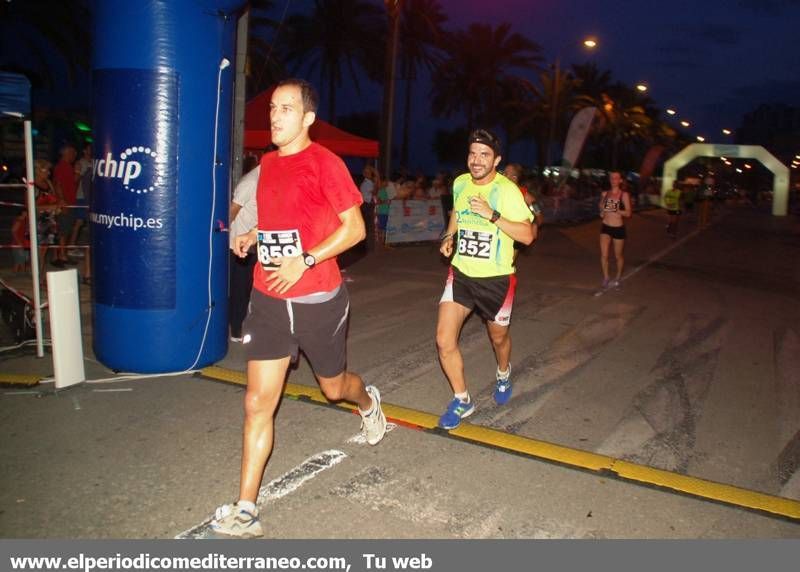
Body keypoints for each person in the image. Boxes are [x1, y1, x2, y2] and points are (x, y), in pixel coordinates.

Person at [212, 79, 387, 538]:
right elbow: (279, 219)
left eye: (286, 108)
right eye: (272, 107)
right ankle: (246, 508)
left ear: (308, 117)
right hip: (269, 296)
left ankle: (368, 401)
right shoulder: (267, 163)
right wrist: (255, 237)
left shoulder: (326, 163)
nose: (275, 116)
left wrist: (305, 259)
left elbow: (355, 231)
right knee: (257, 403)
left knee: (334, 389)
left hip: (317, 298)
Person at [435, 129, 535, 430]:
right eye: (473, 153)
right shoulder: (461, 183)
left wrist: (493, 215)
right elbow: (456, 213)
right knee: (443, 340)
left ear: (497, 160)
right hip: (462, 273)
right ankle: (462, 399)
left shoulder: (507, 191)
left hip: (497, 281)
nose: (477, 160)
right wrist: (449, 235)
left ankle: (503, 373)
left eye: (484, 155)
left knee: (498, 338)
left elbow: (528, 236)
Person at [228, 158, 260, 342]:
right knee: (240, 288)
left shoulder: (264, 180)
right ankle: (237, 331)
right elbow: (232, 211)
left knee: (249, 287)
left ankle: (244, 323)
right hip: (239, 243)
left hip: (254, 241)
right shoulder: (251, 182)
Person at [598, 171, 632, 289]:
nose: (613, 180)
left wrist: (616, 210)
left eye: (616, 178)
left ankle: (618, 278)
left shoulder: (624, 195)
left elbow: (628, 213)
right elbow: (601, 208)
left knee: (618, 256)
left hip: (618, 227)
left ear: (620, 180)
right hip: (606, 226)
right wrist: (602, 210)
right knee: (604, 255)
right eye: (612, 178)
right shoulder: (605, 193)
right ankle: (606, 277)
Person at [52, 144, 78, 267]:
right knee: (63, 230)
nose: (74, 156)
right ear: (66, 154)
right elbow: (57, 185)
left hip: (70, 202)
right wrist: (62, 201)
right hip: (65, 203)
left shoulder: (68, 167)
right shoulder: (62, 167)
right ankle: (61, 255)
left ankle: (62, 254)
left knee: (66, 229)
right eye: (72, 153)